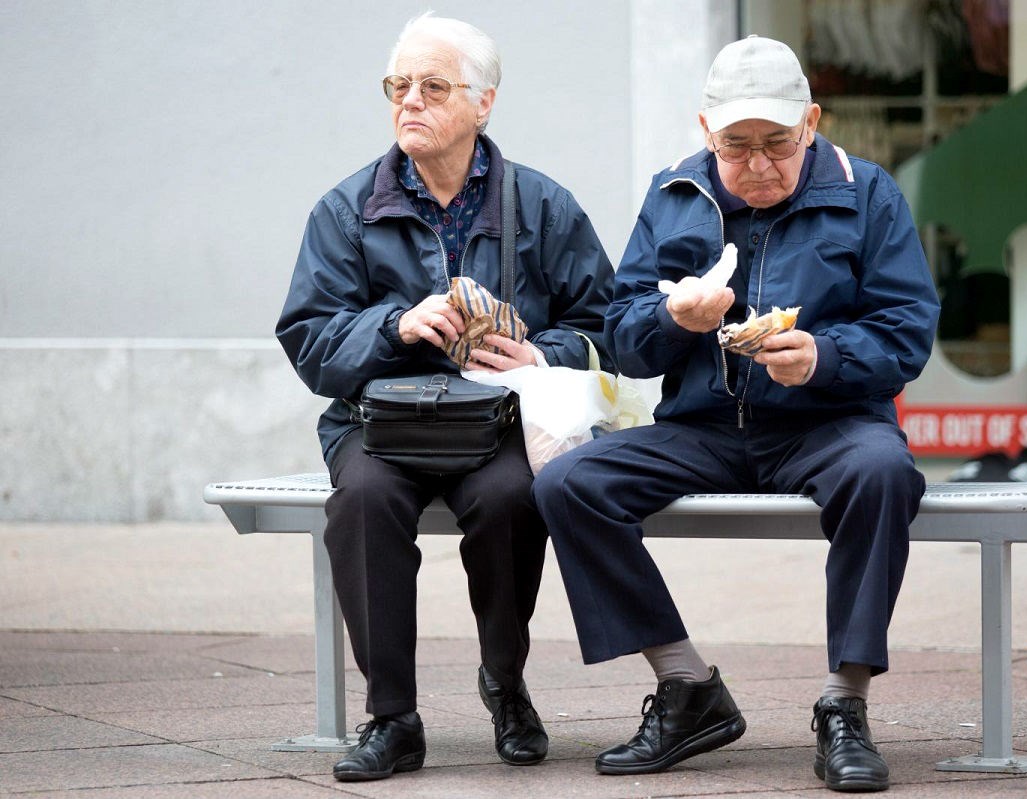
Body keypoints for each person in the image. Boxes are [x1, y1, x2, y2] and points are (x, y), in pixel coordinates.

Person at [533, 35, 939, 793]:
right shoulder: (674, 193)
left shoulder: (867, 191)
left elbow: (907, 329)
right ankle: (687, 687)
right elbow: (620, 335)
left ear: (811, 123)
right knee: (567, 482)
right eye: (736, 147)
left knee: (884, 469)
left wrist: (822, 356)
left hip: (830, 424)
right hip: (704, 426)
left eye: (777, 145)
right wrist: (673, 320)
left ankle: (845, 702)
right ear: (704, 130)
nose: (757, 166)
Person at [276, 12, 614, 782]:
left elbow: (606, 325)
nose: (410, 103)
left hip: (495, 420)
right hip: (379, 421)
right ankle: (392, 716)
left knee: (510, 499)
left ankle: (504, 681)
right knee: (360, 500)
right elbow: (310, 341)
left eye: (433, 86)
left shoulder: (542, 205)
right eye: (398, 86)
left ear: (483, 103)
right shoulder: (346, 209)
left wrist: (537, 350)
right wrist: (397, 324)